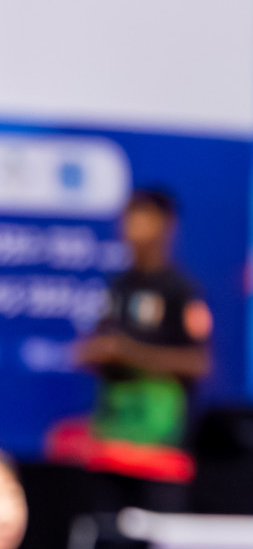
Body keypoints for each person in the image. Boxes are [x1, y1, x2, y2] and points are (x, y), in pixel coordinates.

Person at [50, 188, 210, 488]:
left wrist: (131, 352)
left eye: (144, 218)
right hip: (112, 439)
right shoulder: (119, 287)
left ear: (166, 225)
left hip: (160, 448)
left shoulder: (181, 290)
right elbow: (101, 343)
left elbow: (199, 363)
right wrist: (95, 353)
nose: (133, 228)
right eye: (129, 218)